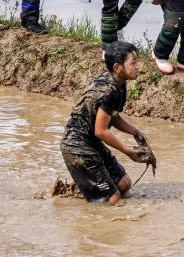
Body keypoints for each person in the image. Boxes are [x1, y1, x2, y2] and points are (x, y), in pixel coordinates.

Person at [60, 42, 156, 205]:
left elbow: (113, 117)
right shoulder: (108, 91)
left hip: (91, 142)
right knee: (113, 199)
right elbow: (101, 131)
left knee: (124, 184)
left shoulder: (119, 84)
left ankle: (89, 186)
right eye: (133, 63)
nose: (138, 67)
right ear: (118, 67)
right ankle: (92, 191)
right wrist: (127, 151)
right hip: (77, 146)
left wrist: (135, 132)